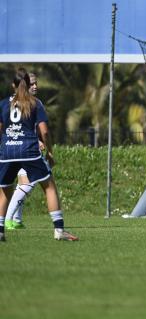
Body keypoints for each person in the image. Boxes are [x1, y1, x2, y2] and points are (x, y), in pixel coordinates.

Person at [0, 68, 78, 242]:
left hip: (7, 150)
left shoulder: (3, 103)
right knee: (49, 186)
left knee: (4, 191)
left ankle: (0, 231)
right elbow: (45, 131)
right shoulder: (35, 103)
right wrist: (49, 151)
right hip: (28, 150)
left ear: (13, 85)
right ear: (27, 85)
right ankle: (59, 230)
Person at [5, 72, 40, 229]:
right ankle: (7, 218)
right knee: (29, 182)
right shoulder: (33, 103)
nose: (35, 86)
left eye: (36, 83)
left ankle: (16, 220)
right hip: (26, 149)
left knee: (21, 183)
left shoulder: (9, 103)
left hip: (11, 148)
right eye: (31, 83)